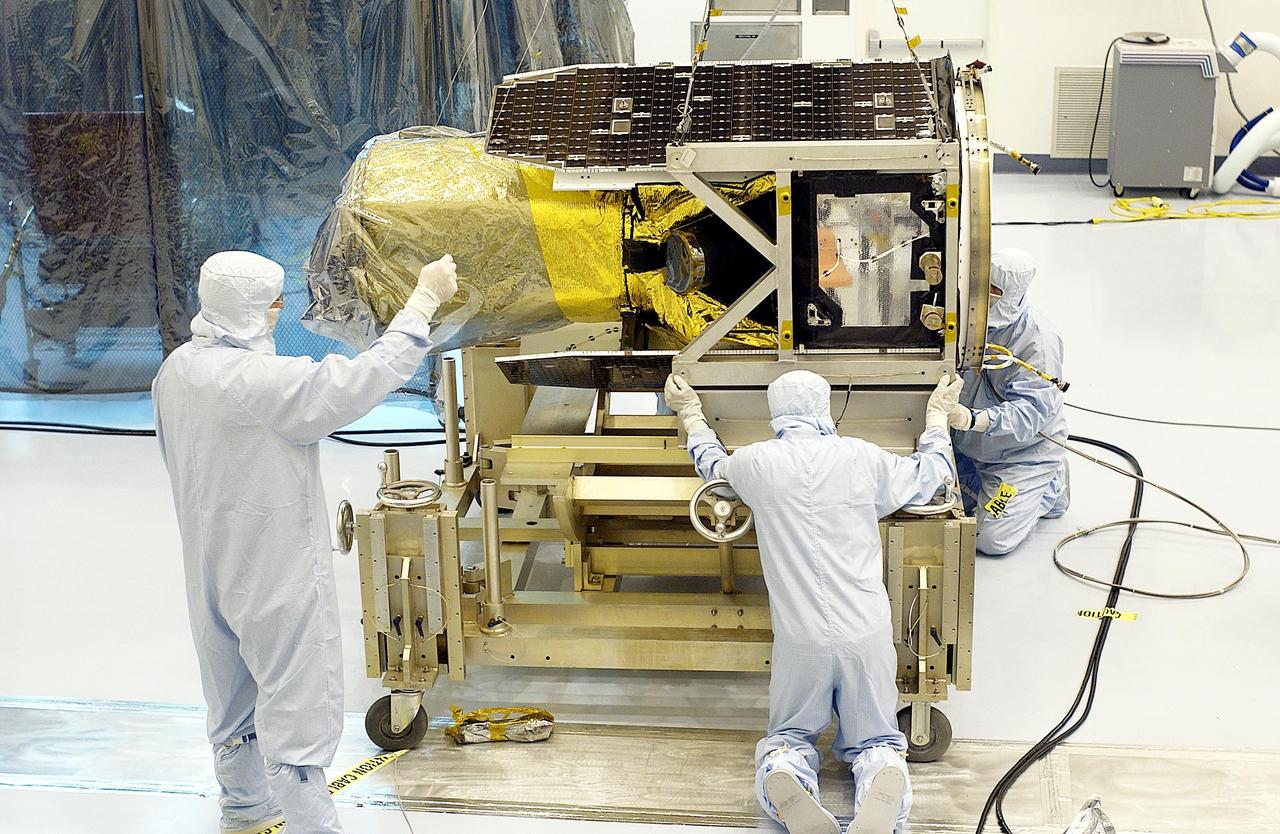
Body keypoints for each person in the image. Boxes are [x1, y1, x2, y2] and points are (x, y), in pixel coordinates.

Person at [153, 250, 457, 834]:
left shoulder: (176, 371)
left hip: (207, 564)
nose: (278, 313)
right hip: (274, 570)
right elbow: (360, 381)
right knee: (297, 704)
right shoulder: (266, 383)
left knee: (231, 697)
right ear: (248, 309)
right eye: (272, 305)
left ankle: (242, 812)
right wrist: (423, 302)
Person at [663, 369, 964, 834]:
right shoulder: (860, 457)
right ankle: (883, 773)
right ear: (824, 409)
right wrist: (937, 419)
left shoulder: (756, 463)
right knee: (878, 736)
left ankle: (785, 773)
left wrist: (691, 414)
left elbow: (712, 468)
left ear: (774, 412)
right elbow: (929, 477)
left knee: (788, 735)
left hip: (800, 637)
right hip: (865, 630)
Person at [946, 248, 1069, 556]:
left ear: (1013, 293)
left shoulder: (1038, 342)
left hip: (1020, 454)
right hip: (968, 444)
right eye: (982, 285)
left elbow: (1030, 414)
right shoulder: (969, 320)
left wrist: (973, 420)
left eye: (994, 291)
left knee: (990, 537)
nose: (984, 296)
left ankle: (1051, 486)